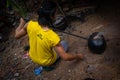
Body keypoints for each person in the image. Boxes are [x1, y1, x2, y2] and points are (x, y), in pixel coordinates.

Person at [15, 0, 84, 70]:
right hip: (46, 62)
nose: (56, 15)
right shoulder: (52, 36)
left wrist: (21, 22)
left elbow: (16, 36)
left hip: (33, 57)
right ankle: (51, 63)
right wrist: (77, 56)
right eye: (56, 13)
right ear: (52, 16)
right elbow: (65, 57)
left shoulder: (30, 24)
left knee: (48, 43)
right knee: (64, 43)